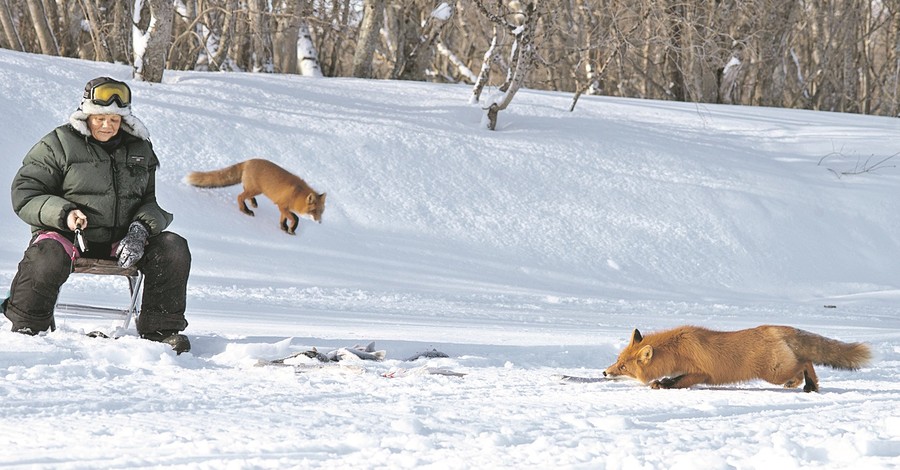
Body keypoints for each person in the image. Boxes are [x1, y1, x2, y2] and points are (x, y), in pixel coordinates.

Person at [2, 77, 191, 354]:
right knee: (46, 255)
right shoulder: (58, 143)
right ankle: (28, 326)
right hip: (68, 235)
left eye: (114, 119)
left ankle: (161, 330)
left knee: (173, 246)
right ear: (86, 114)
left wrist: (140, 229)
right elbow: (25, 193)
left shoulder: (140, 148)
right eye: (100, 118)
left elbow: (150, 202)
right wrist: (64, 213)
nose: (107, 125)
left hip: (122, 239)